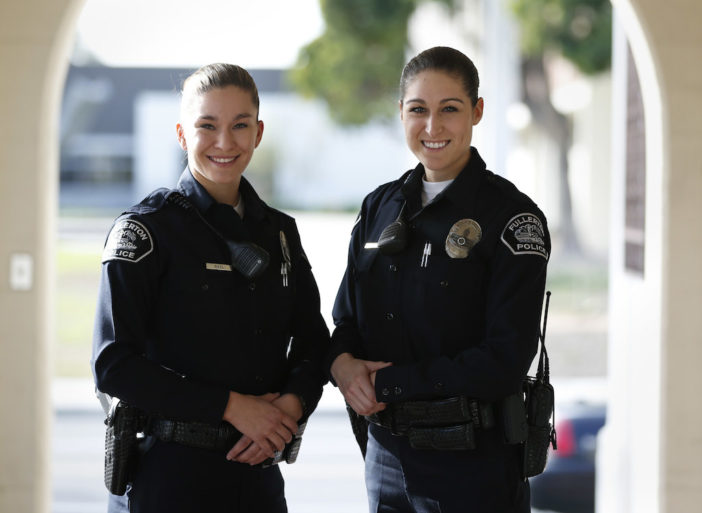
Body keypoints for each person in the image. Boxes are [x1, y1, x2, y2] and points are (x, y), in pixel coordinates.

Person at [92, 63, 329, 513]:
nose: (225, 142)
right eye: (207, 126)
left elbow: (314, 340)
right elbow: (112, 363)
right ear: (182, 133)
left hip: (258, 474)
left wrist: (292, 408)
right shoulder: (145, 231)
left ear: (258, 133)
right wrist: (231, 407)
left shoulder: (279, 233)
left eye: (240, 125)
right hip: (167, 477)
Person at [328, 46, 551, 513]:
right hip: (385, 458)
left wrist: (389, 386)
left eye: (449, 109)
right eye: (418, 110)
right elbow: (346, 319)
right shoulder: (379, 207)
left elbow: (505, 357)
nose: (432, 127)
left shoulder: (511, 218)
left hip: (471, 464)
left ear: (477, 111)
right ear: (401, 114)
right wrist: (342, 366)